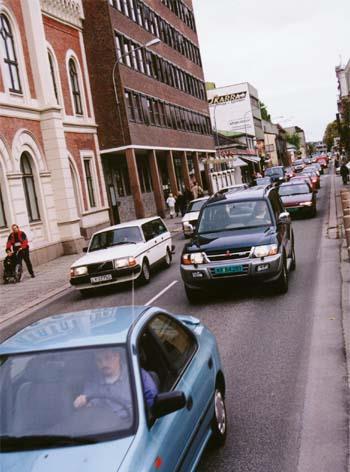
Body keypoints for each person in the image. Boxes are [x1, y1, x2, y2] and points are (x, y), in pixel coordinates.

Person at [73, 348, 158, 414]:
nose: (104, 364)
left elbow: (152, 399)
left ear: (117, 356)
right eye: (99, 360)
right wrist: (82, 402)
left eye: (107, 358)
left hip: (133, 425)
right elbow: (89, 403)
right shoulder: (92, 381)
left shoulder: (137, 374)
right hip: (106, 427)